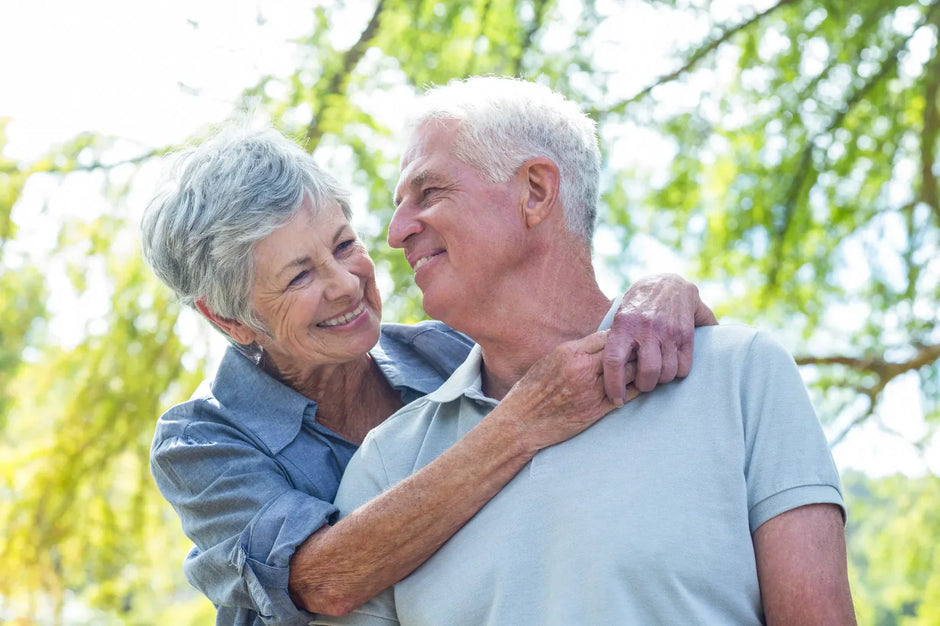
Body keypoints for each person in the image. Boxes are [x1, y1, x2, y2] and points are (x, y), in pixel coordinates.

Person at [322, 76, 856, 625]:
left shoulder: (739, 376)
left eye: (428, 193)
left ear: (535, 191)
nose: (394, 232)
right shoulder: (389, 462)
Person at [140, 124, 716, 624]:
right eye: (298, 277)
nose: (345, 284)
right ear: (228, 317)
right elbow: (321, 580)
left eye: (344, 245)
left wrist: (660, 294)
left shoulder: (446, 351)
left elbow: (585, 356)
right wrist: (520, 424)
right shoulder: (202, 440)